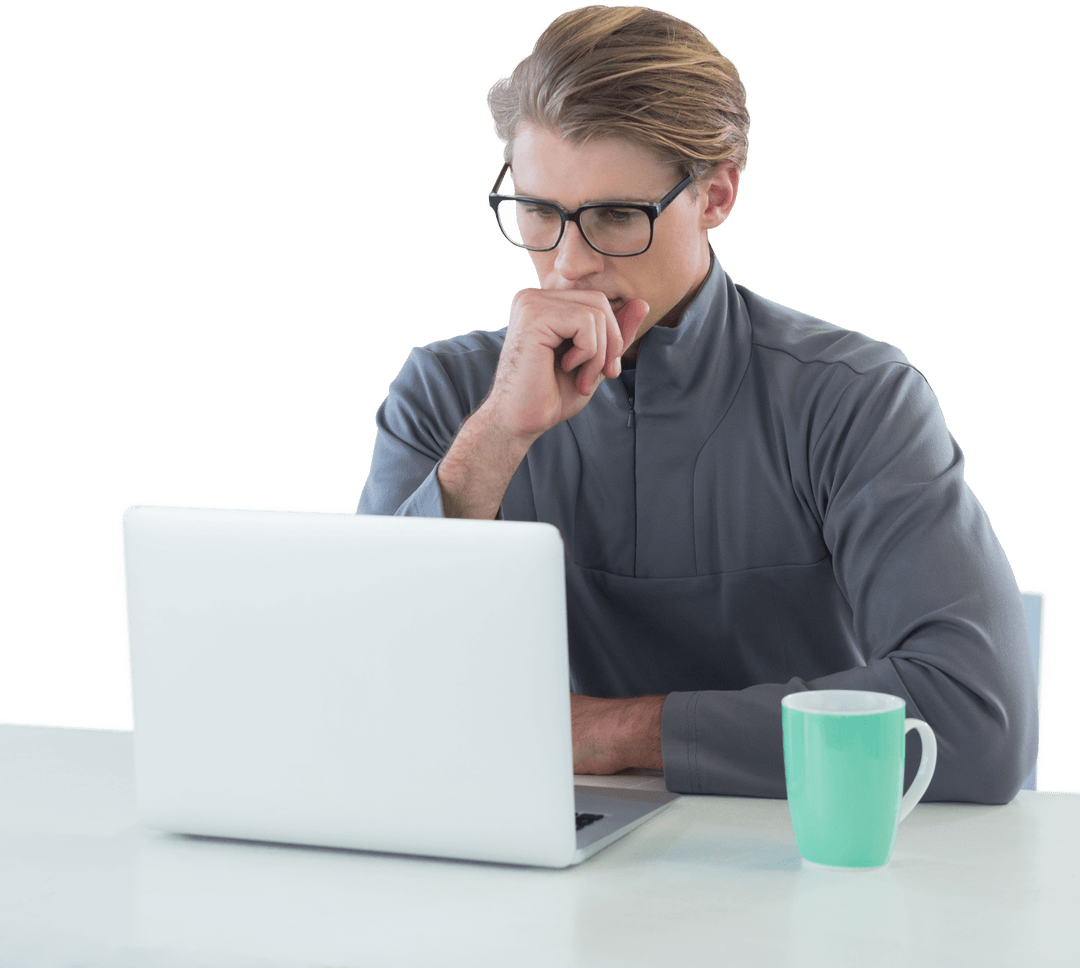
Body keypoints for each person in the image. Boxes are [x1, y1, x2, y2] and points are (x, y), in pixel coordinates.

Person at [358, 4, 1037, 802]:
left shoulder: (853, 399)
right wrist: (499, 435)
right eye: (539, 212)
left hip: (802, 867)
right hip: (525, 854)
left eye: (615, 216)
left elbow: (977, 726)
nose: (568, 264)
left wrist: (613, 735)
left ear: (716, 194)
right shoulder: (446, 396)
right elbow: (358, 688)